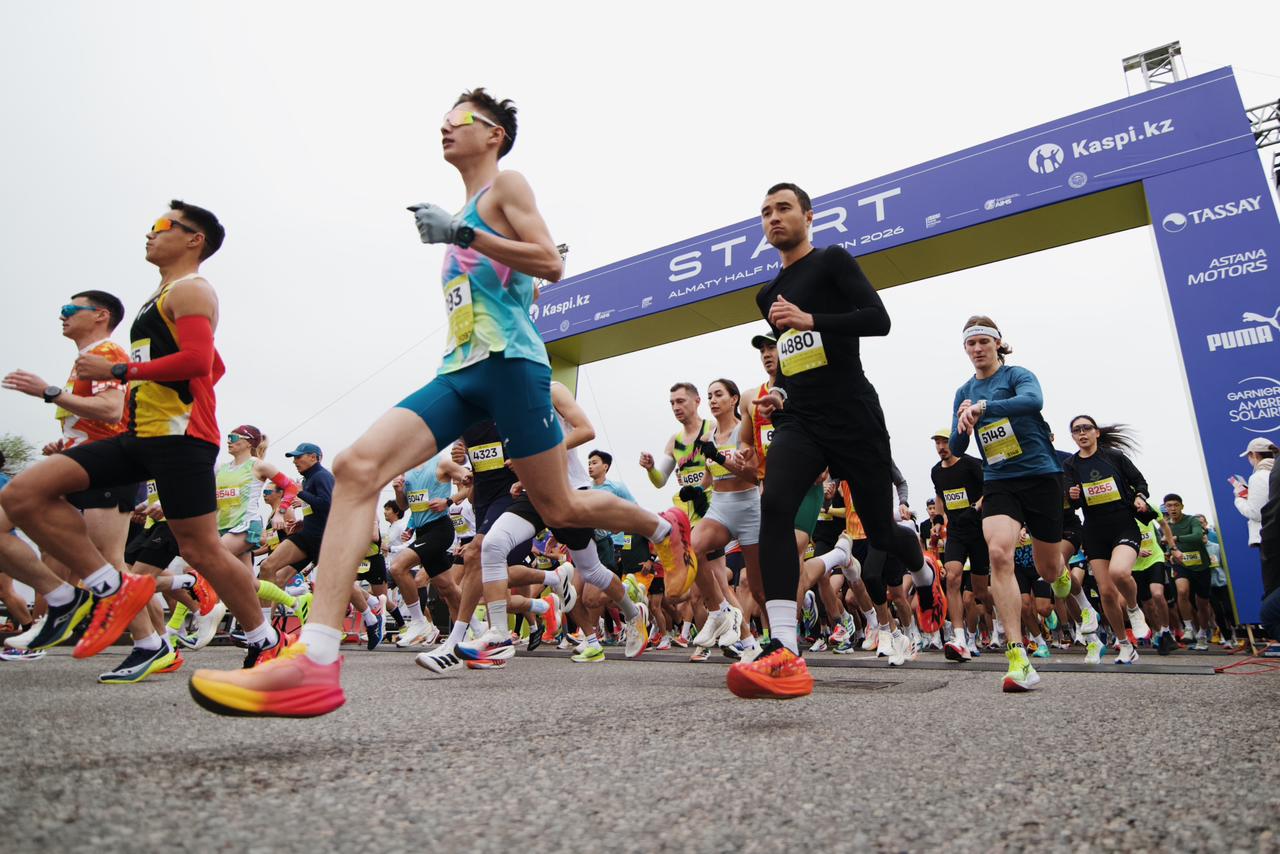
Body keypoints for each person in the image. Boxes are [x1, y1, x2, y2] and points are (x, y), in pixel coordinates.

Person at [189, 89, 691, 716]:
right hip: (460, 370)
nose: (446, 128)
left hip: (513, 367)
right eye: (443, 121)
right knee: (356, 467)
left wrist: (464, 232)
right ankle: (315, 662)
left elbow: (546, 262)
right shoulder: (465, 210)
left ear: (495, 136)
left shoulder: (505, 189)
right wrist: (462, 231)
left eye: (461, 120)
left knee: (559, 505)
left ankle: (658, 524)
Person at [0, 202, 287, 676]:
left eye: (161, 227)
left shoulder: (192, 289)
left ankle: (264, 637)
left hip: (182, 439)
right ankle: (72, 596)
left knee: (201, 550)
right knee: (25, 493)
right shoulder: (161, 294)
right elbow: (213, 366)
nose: (150, 235)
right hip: (140, 436)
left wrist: (119, 371)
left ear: (194, 239)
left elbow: (198, 360)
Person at [725, 183, 927, 700]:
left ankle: (921, 565)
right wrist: (779, 395)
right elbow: (794, 360)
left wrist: (811, 317)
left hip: (854, 415)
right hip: (802, 421)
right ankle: (784, 647)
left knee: (882, 533)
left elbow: (878, 321)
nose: (773, 218)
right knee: (774, 506)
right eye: (765, 212)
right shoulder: (766, 295)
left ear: (808, 216)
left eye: (783, 208)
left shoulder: (833, 261)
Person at [947, 316, 1074, 693]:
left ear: (997, 344)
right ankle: (1018, 656)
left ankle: (1061, 572)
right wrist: (961, 423)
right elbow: (957, 449)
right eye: (971, 344)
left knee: (1048, 570)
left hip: (1040, 476)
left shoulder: (1017, 375)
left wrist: (985, 407)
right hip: (1000, 480)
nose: (977, 349)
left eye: (984, 341)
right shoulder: (963, 390)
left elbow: (1034, 401)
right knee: (999, 553)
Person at [1061, 416, 1153, 665]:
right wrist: (1072, 494)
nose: (1082, 433)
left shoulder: (1114, 457)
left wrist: (1140, 497)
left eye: (1086, 428)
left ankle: (1134, 609)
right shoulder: (1070, 465)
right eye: (1076, 430)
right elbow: (1075, 501)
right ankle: (1125, 645)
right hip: (1094, 530)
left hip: (1123, 523)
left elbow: (1140, 482)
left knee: (1120, 572)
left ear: (1097, 433)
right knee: (1107, 593)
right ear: (1072, 436)